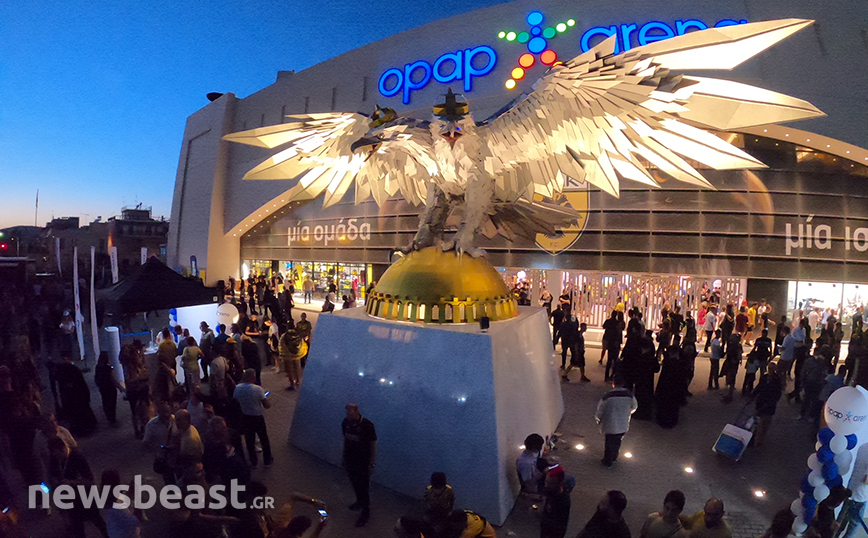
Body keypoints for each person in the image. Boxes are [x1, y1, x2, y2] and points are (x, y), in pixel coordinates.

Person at [47, 436, 108, 538]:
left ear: (63, 448)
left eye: (58, 454)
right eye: (55, 455)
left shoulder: (77, 458)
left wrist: (71, 483)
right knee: (77, 528)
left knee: (97, 520)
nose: (57, 457)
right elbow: (52, 474)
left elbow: (90, 481)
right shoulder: (55, 460)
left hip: (85, 496)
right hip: (70, 500)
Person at [343, 403, 377, 527]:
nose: (348, 416)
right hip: (350, 460)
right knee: (354, 483)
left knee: (363, 486)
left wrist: (371, 463)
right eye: (347, 413)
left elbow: (373, 444)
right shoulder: (345, 423)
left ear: (357, 411)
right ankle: (359, 501)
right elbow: (346, 440)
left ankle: (366, 510)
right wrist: (344, 457)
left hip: (363, 462)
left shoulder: (367, 426)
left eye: (350, 413)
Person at [595, 375, 637, 467]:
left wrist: (598, 419)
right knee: (618, 441)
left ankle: (607, 460)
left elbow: (600, 410)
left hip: (610, 422)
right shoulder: (629, 395)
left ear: (613, 383)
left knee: (609, 442)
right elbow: (634, 407)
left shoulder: (608, 396)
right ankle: (614, 456)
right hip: (623, 423)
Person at [233, 369, 273, 467]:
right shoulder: (257, 389)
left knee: (249, 440)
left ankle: (253, 461)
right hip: (257, 417)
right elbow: (266, 405)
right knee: (263, 438)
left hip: (245, 417)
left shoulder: (237, 388)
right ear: (253, 377)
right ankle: (267, 460)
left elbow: (235, 401)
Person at [54, 354, 98, 435]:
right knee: (83, 412)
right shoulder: (74, 370)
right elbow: (82, 384)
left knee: (75, 415)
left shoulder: (61, 373)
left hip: (71, 398)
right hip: (79, 397)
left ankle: (79, 429)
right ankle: (87, 428)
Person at [100, 469, 142, 538]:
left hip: (113, 531)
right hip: (125, 534)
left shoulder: (104, 497)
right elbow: (134, 521)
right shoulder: (118, 505)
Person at [839, 443, 868, 538]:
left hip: (850, 490)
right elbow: (866, 480)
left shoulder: (863, 447)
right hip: (860, 496)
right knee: (853, 526)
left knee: (840, 522)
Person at [656, 337, 685, 428]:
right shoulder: (680, 365)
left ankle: (662, 419)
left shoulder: (667, 364)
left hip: (666, 388)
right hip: (675, 390)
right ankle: (672, 421)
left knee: (664, 405)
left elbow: (662, 378)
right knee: (673, 406)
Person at [751, 363, 783, 447]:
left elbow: (777, 393)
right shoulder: (764, 377)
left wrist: (772, 401)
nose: (770, 370)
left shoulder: (777, 380)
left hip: (769, 404)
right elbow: (759, 387)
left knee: (766, 423)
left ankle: (760, 438)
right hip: (762, 402)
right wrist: (753, 395)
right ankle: (758, 440)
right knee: (760, 422)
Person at [632, 330, 658, 420]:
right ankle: (647, 413)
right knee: (647, 397)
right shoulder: (652, 358)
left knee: (639, 396)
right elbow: (657, 369)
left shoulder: (639, 358)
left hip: (640, 381)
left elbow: (636, 369)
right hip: (649, 380)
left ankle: (638, 412)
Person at [540, 467, 570, 538]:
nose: (546, 485)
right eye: (546, 482)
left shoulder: (563, 501)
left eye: (550, 483)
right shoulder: (552, 489)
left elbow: (559, 523)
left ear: (559, 483)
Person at [94, 351, 120, 426]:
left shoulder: (98, 367)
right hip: (111, 388)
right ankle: (113, 419)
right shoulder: (109, 368)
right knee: (112, 404)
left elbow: (96, 378)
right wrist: (120, 388)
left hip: (103, 388)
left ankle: (109, 418)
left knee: (106, 403)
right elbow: (113, 379)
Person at [601, 311, 624, 380]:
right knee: (615, 360)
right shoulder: (617, 323)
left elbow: (604, 326)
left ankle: (606, 375)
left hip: (610, 341)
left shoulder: (608, 321)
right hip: (615, 343)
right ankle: (612, 375)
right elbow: (618, 333)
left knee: (609, 360)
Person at [721, 334, 742, 403]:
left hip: (733, 362)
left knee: (732, 376)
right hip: (730, 361)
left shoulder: (737, 346)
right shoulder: (731, 345)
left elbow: (739, 354)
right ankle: (729, 390)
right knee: (729, 374)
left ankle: (730, 393)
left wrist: (738, 360)